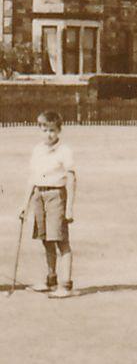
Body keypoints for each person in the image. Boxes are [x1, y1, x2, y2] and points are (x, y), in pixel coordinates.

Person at [18, 111, 77, 298]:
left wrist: (69, 208)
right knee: (46, 239)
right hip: (38, 195)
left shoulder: (64, 150)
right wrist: (24, 204)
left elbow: (71, 178)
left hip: (56, 195)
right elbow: (32, 178)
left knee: (60, 240)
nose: (48, 134)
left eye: (52, 130)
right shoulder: (37, 150)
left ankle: (66, 285)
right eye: (44, 129)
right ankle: (51, 280)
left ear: (59, 130)